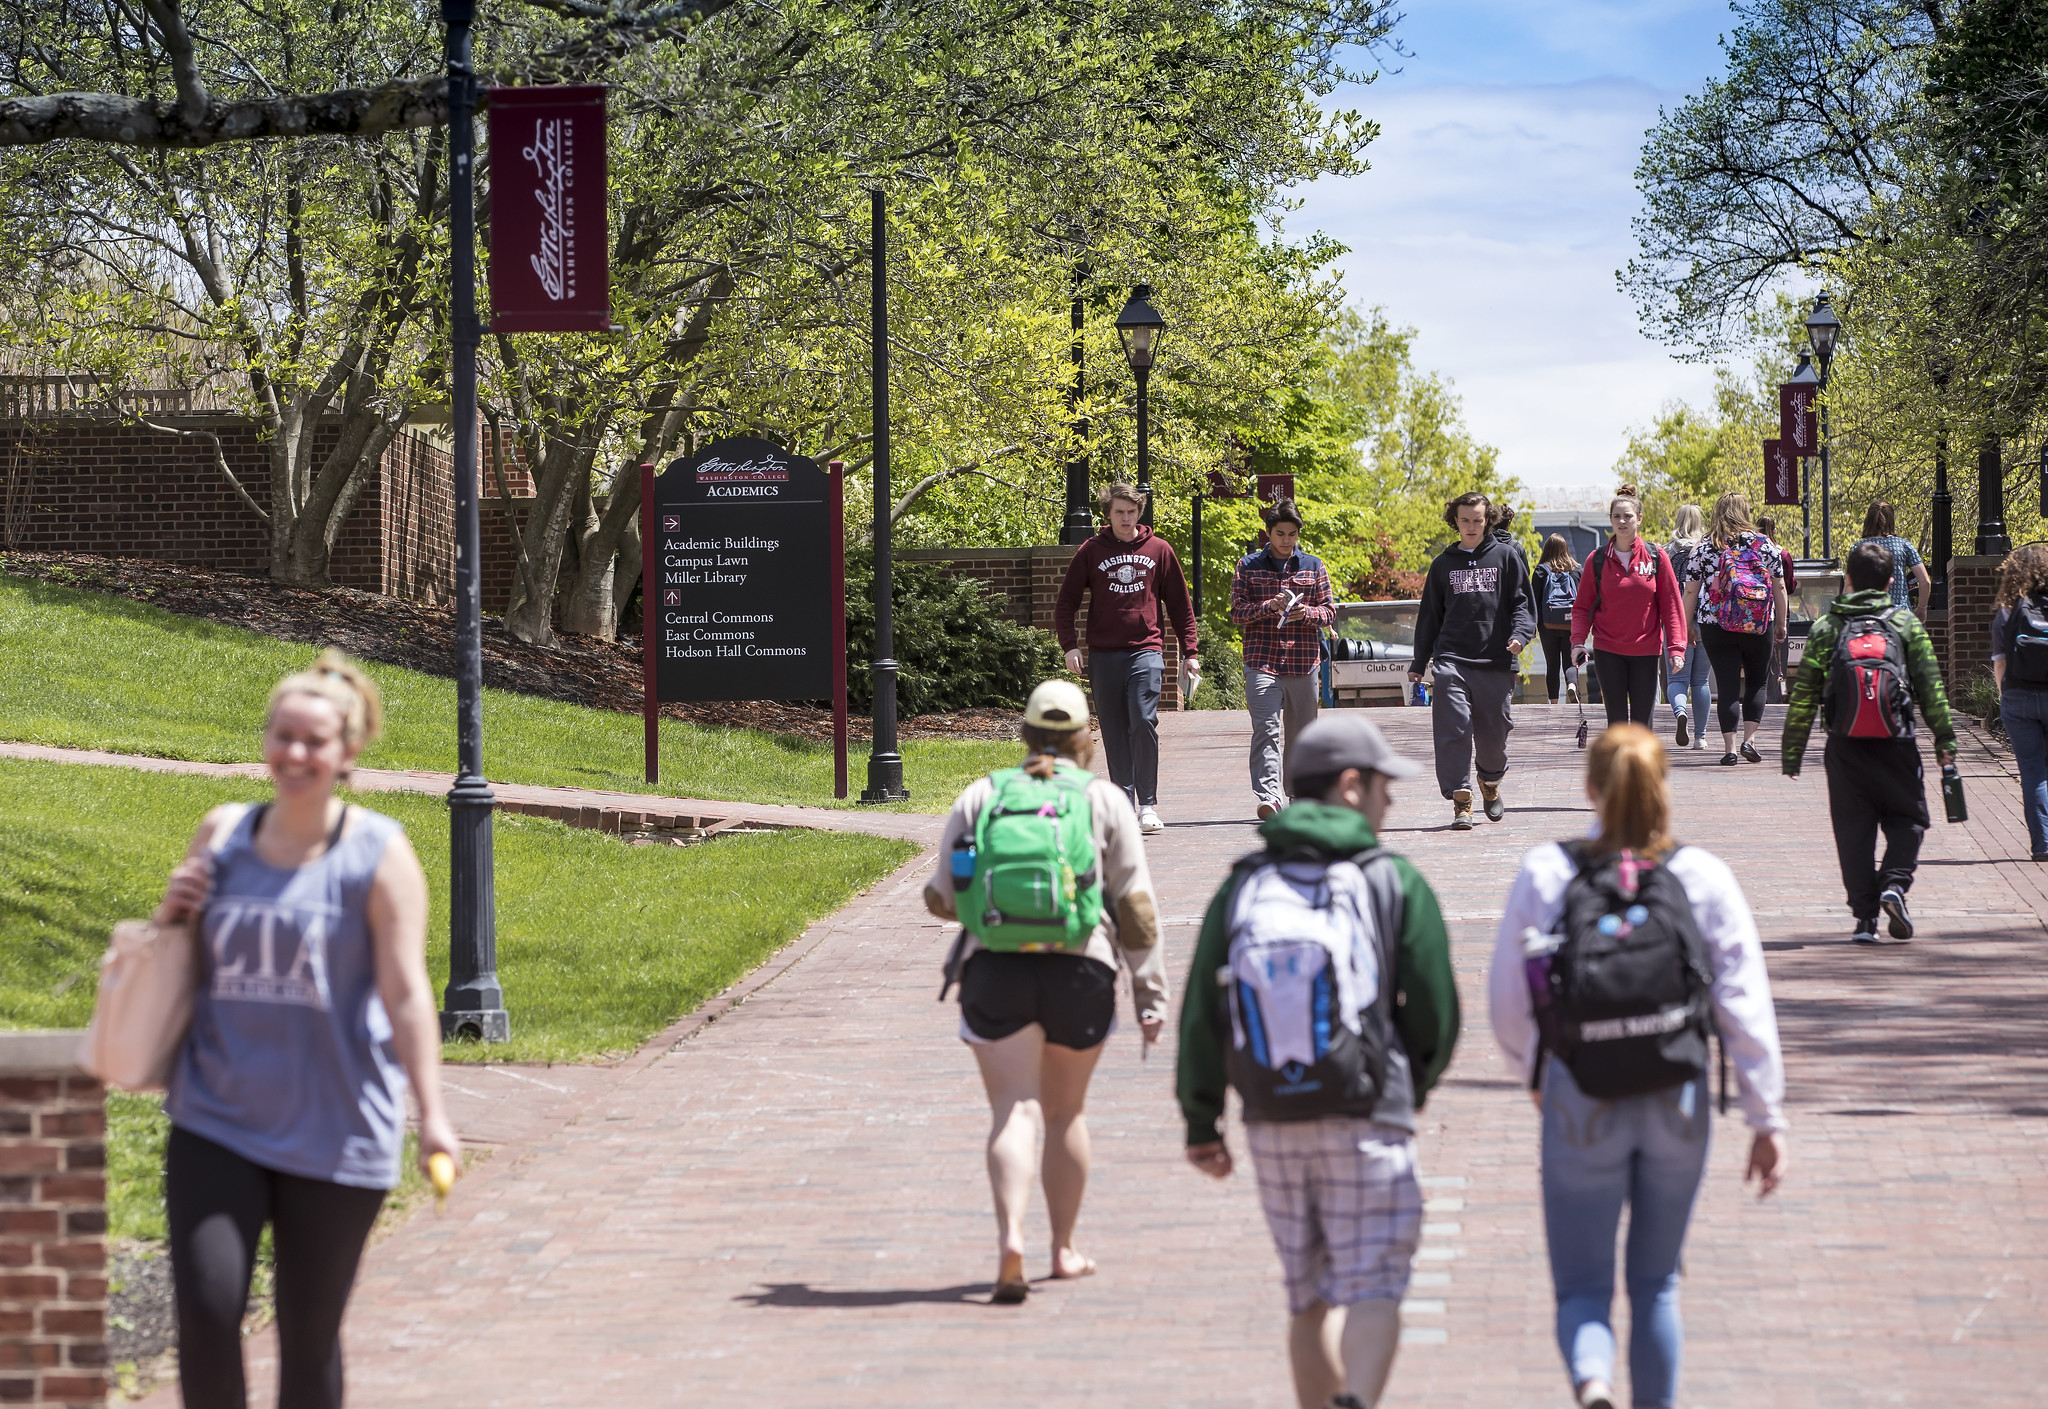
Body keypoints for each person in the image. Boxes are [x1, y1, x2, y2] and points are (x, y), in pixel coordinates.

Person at [154, 651, 458, 1409]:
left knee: (309, 1333)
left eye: (313, 741)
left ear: (348, 750)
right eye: (282, 735)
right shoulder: (222, 834)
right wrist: (172, 912)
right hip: (216, 1114)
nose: (294, 753)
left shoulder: (378, 854)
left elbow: (407, 992)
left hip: (337, 1125)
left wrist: (435, 1117)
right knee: (206, 1312)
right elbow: (175, 961)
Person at [1489, 724, 1788, 1409]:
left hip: (1579, 1091)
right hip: (1674, 1089)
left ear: (1590, 788)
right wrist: (1765, 1114)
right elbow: (1744, 1003)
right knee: (1657, 1281)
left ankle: (1593, 1382)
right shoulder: (1702, 875)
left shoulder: (1547, 871)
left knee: (1583, 1284)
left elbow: (1508, 1000)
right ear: (1663, 786)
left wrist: (1537, 1073)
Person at [1180, 713, 1460, 1409]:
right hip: (1367, 1109)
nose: (1390, 802)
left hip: (1272, 1114)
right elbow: (1434, 1005)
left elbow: (1200, 1012)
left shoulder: (1242, 883)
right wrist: (1411, 1082)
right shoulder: (1391, 879)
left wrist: (1202, 1119)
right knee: (1373, 1283)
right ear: (1348, 786)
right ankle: (1359, 1396)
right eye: (1383, 787)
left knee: (1308, 1295)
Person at [928, 679, 1168, 1303]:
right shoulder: (1104, 799)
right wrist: (1150, 996)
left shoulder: (983, 795)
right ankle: (1062, 1250)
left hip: (995, 968)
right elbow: (1135, 909)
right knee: (1065, 1114)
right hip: (1080, 970)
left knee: (1014, 1109)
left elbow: (940, 899)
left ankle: (1011, 1239)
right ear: (1087, 737)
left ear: (1026, 735)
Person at [1780, 540, 1956, 944]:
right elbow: (1930, 686)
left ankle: (1864, 919)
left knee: (1852, 829)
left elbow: (1805, 693)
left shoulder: (1828, 628)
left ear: (1848, 580)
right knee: (1908, 818)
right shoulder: (1905, 623)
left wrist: (1793, 753)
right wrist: (1944, 737)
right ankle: (1894, 883)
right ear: (1891, 582)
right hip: (1897, 740)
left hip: (1845, 745)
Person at [1054, 482, 1199, 834]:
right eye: (1119, 511)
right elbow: (1066, 602)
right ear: (1108, 513)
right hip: (1103, 655)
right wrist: (1070, 645)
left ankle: (1148, 805)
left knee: (1143, 720)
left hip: (1146, 650)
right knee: (1115, 730)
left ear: (1140, 512)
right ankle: (1123, 802)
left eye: (1131, 512)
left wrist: (1190, 653)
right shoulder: (1091, 551)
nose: (1125, 518)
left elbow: (1180, 606)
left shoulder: (1159, 550)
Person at [1409, 491, 1536, 829]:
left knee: (1494, 737)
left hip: (1496, 660)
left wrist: (1519, 636)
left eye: (1477, 520)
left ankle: (1490, 783)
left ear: (1487, 521)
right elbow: (1429, 617)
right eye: (1464, 520)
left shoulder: (1507, 557)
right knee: (1454, 727)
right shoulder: (1442, 565)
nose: (1471, 526)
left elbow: (1523, 604)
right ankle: (1461, 798)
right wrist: (1419, 662)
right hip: (1452, 658)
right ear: (1455, 521)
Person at [1232, 498, 1336, 819]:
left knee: (1302, 734)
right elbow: (1237, 613)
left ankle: (1298, 794)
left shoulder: (1313, 566)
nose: (1286, 540)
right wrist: (1269, 607)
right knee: (1266, 729)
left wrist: (1306, 613)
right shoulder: (1248, 565)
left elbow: (1329, 611)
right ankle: (1270, 795)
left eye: (1292, 534)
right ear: (1268, 533)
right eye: (1280, 533)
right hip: (1261, 660)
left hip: (1303, 662)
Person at [1682, 492, 1789, 765]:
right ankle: (1749, 741)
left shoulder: (1704, 547)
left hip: (1716, 624)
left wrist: (1687, 626)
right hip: (1758, 622)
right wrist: (1781, 623)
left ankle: (1729, 748)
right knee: (1756, 682)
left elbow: (1691, 591)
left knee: (1727, 685)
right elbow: (1779, 586)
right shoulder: (1765, 544)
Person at [1569, 486, 1686, 728]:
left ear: (1639, 518)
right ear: (1610, 520)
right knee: (1617, 724)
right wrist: (1578, 642)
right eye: (1616, 517)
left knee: (1643, 724)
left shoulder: (1656, 556)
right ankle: (1619, 767)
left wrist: (1676, 648)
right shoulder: (1597, 559)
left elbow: (1672, 606)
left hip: (1646, 650)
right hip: (1608, 650)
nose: (1622, 521)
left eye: (1628, 516)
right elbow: (1582, 607)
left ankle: (1641, 767)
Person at [1991, 543, 2048, 861]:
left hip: (2018, 697)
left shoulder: (2006, 611)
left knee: (2032, 771)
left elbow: (2000, 663)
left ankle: (2042, 844)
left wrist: (2006, 697)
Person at [1663, 505, 1712, 750]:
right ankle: (1700, 737)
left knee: (1677, 679)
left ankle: (1680, 711)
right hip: (1705, 620)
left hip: (1675, 623)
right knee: (1701, 681)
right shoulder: (1707, 550)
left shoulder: (1666, 553)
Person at [1854, 501, 1931, 613]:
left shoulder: (1858, 548)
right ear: (1891, 520)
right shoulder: (1903, 546)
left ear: (1868, 520)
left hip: (1867, 615)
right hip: (1899, 616)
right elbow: (1925, 581)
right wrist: (1921, 609)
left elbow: (1850, 586)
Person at [1533, 535, 1582, 704]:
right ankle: (1572, 685)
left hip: (1547, 625)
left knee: (1552, 664)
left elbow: (1534, 600)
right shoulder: (1576, 570)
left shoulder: (1540, 571)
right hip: (1570, 624)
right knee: (1570, 661)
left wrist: (1532, 626)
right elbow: (1583, 599)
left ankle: (1553, 703)